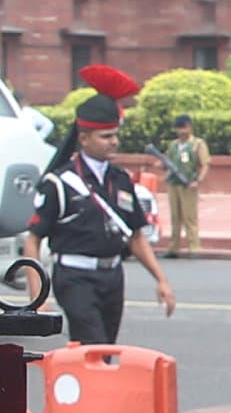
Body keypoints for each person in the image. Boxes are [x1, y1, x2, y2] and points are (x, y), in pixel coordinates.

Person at [22, 66, 177, 342]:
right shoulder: (60, 183)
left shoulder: (120, 180)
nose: (113, 142)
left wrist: (160, 279)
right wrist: (37, 296)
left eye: (115, 135)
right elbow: (32, 240)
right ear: (84, 139)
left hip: (113, 277)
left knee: (104, 351)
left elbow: (136, 236)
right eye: (105, 136)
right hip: (74, 277)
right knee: (92, 346)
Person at [156, 110, 212, 258]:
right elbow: (168, 162)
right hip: (173, 183)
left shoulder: (197, 144)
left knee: (190, 217)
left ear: (190, 127)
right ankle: (174, 247)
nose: (181, 131)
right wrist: (160, 164)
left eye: (183, 127)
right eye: (178, 128)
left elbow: (205, 165)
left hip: (188, 184)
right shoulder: (173, 145)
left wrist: (198, 181)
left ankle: (194, 247)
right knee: (175, 217)